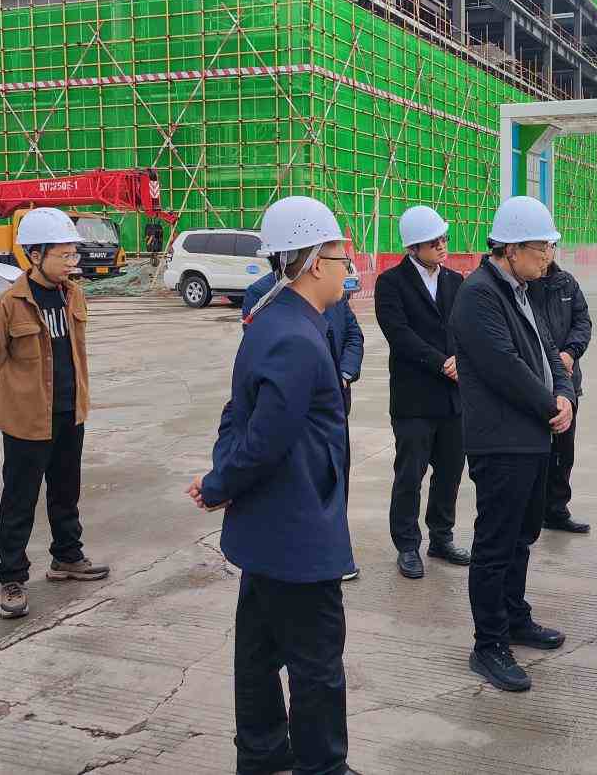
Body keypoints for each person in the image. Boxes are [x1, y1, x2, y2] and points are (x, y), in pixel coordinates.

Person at [186, 196, 361, 775]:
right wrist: (219, 483)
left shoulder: (277, 319)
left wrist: (222, 477)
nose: (347, 267)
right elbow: (262, 436)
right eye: (340, 256)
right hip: (295, 530)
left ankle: (262, 754)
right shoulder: (294, 336)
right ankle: (321, 766)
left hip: (270, 529)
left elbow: (237, 415)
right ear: (312, 263)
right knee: (317, 663)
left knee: (259, 651)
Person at [449, 196, 575, 693]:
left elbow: (547, 350)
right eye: (542, 248)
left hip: (533, 437)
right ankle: (488, 644)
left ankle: (514, 617)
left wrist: (564, 395)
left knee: (523, 535)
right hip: (501, 442)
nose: (548, 257)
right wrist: (550, 405)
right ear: (512, 249)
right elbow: (505, 366)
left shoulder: (522, 290)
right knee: (496, 544)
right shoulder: (479, 295)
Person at [0, 207, 109, 620]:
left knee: (66, 491)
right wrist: (19, 394)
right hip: (26, 420)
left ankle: (67, 556)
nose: (72, 262)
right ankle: (12, 578)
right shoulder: (7, 305)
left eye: (73, 254)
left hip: (69, 412)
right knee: (20, 499)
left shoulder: (74, 295)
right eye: (63, 255)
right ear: (35, 255)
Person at [243, 270, 364, 580]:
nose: (345, 269)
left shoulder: (332, 291)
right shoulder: (263, 294)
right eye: (339, 258)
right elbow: (264, 358)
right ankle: (304, 558)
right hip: (297, 411)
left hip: (334, 406)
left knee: (336, 480)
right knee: (301, 484)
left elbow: (354, 335)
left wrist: (343, 374)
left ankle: (335, 554)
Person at [374, 205, 470, 579]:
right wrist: (442, 363)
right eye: (434, 242)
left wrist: (461, 359)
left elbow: (466, 328)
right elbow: (399, 335)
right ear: (413, 247)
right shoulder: (391, 283)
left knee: (450, 472)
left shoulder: (455, 282)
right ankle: (407, 545)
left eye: (444, 239)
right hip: (414, 399)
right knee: (409, 475)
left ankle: (441, 537)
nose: (443, 246)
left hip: (453, 398)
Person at [529, 257, 593, 533]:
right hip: (533, 381)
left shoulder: (566, 283)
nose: (546, 252)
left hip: (567, 382)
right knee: (534, 453)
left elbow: (583, 322)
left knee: (563, 453)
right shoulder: (521, 284)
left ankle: (556, 510)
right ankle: (531, 511)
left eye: (550, 246)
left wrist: (570, 353)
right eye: (542, 245)